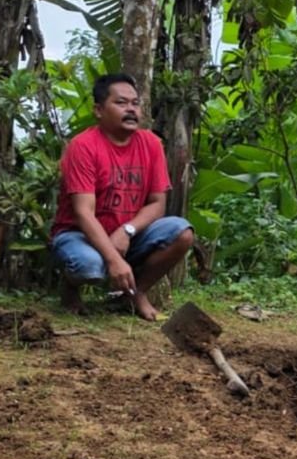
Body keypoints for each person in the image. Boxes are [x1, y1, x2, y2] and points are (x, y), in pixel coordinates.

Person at [49, 73, 194, 321]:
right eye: (121, 103)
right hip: (79, 235)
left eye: (135, 103)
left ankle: (136, 293)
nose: (131, 110)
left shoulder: (151, 144)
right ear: (98, 110)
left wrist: (126, 230)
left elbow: (157, 204)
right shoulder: (83, 146)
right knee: (89, 267)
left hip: (128, 235)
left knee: (182, 232)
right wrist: (113, 259)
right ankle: (70, 288)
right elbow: (83, 212)